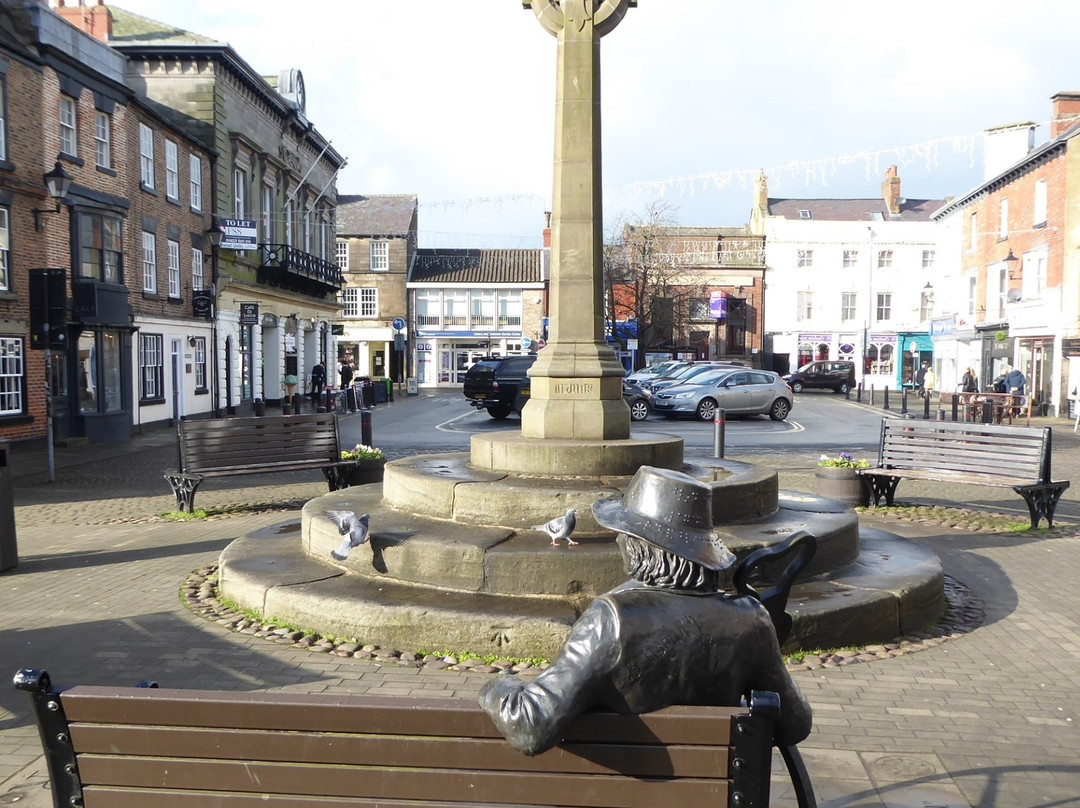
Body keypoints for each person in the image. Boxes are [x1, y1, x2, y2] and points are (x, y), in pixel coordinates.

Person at [479, 466, 813, 756]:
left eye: (624, 534)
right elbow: (794, 725)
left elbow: (530, 725)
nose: (617, 542)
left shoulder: (612, 622)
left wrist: (498, 686)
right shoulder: (750, 620)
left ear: (641, 544)